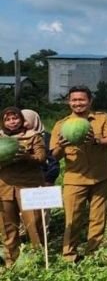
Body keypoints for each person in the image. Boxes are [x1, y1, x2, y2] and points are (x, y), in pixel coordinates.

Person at [51, 85, 107, 262]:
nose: (77, 103)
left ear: (90, 101)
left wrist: (97, 141)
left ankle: (93, 252)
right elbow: (54, 156)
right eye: (74, 100)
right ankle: (69, 255)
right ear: (69, 102)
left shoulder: (103, 118)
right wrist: (61, 146)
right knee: (72, 219)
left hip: (101, 176)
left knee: (98, 218)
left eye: (81, 99)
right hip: (75, 179)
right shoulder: (61, 125)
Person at [0, 107, 46, 266]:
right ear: (3, 123)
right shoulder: (0, 139)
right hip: (4, 187)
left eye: (15, 118)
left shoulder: (33, 136)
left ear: (22, 120)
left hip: (29, 186)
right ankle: (11, 260)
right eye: (8, 119)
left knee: (34, 224)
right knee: (7, 225)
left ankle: (39, 259)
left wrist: (27, 157)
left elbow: (41, 158)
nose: (12, 122)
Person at [21, 109, 59, 186]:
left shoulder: (46, 138)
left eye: (25, 121)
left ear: (33, 120)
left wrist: (49, 180)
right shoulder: (17, 137)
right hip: (23, 180)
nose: (22, 124)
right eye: (20, 121)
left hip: (42, 180)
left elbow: (52, 161)